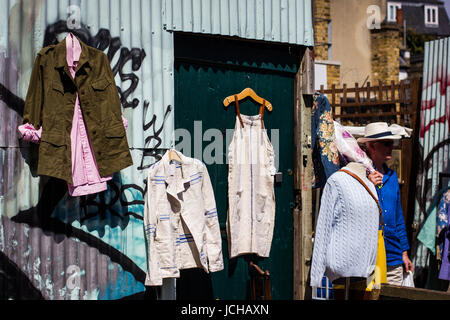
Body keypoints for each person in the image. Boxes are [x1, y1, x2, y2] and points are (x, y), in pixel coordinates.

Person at [357, 122, 414, 286]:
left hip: (393, 255)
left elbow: (397, 217)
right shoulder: (359, 175)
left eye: (392, 143)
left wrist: (404, 252)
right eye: (386, 143)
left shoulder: (391, 176)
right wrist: (366, 185)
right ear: (372, 146)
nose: (391, 147)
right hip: (369, 255)